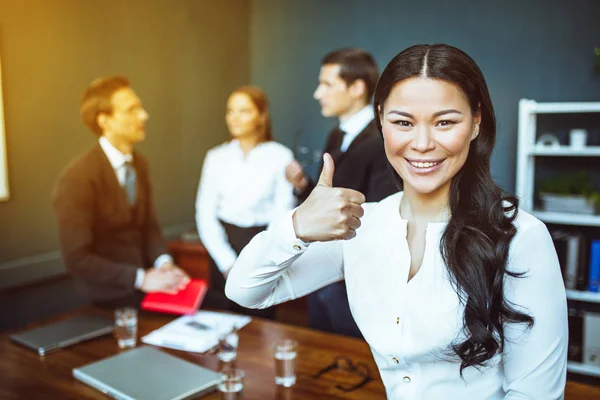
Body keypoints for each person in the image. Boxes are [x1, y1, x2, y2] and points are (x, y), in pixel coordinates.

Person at [226, 44, 568, 398]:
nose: (421, 143)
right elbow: (244, 291)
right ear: (381, 121)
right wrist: (296, 226)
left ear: (476, 123)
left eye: (445, 122)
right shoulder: (362, 226)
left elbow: (535, 394)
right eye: (403, 122)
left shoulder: (521, 238)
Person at [285, 48, 398, 338]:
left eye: (326, 84)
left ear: (357, 88)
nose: (317, 93)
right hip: (321, 271)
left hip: (356, 278)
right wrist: (302, 186)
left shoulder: (384, 140)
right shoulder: (336, 135)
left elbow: (380, 213)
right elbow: (330, 199)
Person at [53, 76, 190, 308]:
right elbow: (77, 259)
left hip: (147, 293)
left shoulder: (140, 164)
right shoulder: (76, 177)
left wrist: (163, 262)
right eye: (131, 110)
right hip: (104, 302)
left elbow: (149, 225)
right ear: (105, 120)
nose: (144, 116)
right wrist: (141, 278)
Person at [195, 86, 294, 318]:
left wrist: (265, 260)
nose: (234, 117)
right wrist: (227, 262)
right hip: (223, 246)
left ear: (261, 116)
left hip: (263, 243)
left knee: (262, 322)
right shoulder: (215, 157)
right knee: (223, 321)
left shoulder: (281, 156)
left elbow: (283, 214)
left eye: (244, 111)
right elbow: (204, 213)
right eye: (231, 111)